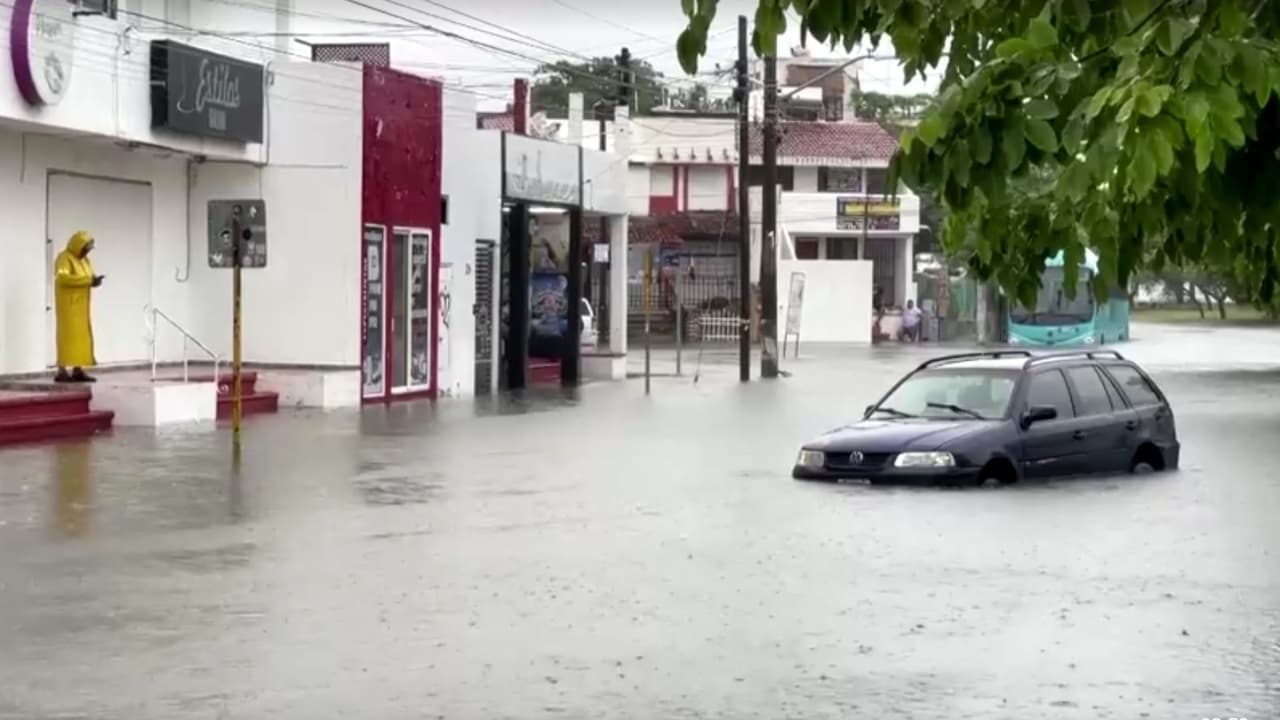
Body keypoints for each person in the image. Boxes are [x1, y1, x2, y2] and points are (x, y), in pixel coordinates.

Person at [53, 231, 103, 383]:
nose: (86, 251)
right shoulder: (64, 258)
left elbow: (89, 276)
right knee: (67, 337)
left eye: (88, 249)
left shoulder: (85, 261)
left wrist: (94, 280)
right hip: (68, 307)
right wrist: (88, 281)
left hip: (81, 307)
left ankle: (77, 369)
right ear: (77, 245)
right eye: (85, 248)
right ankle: (61, 370)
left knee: (81, 339)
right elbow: (62, 278)